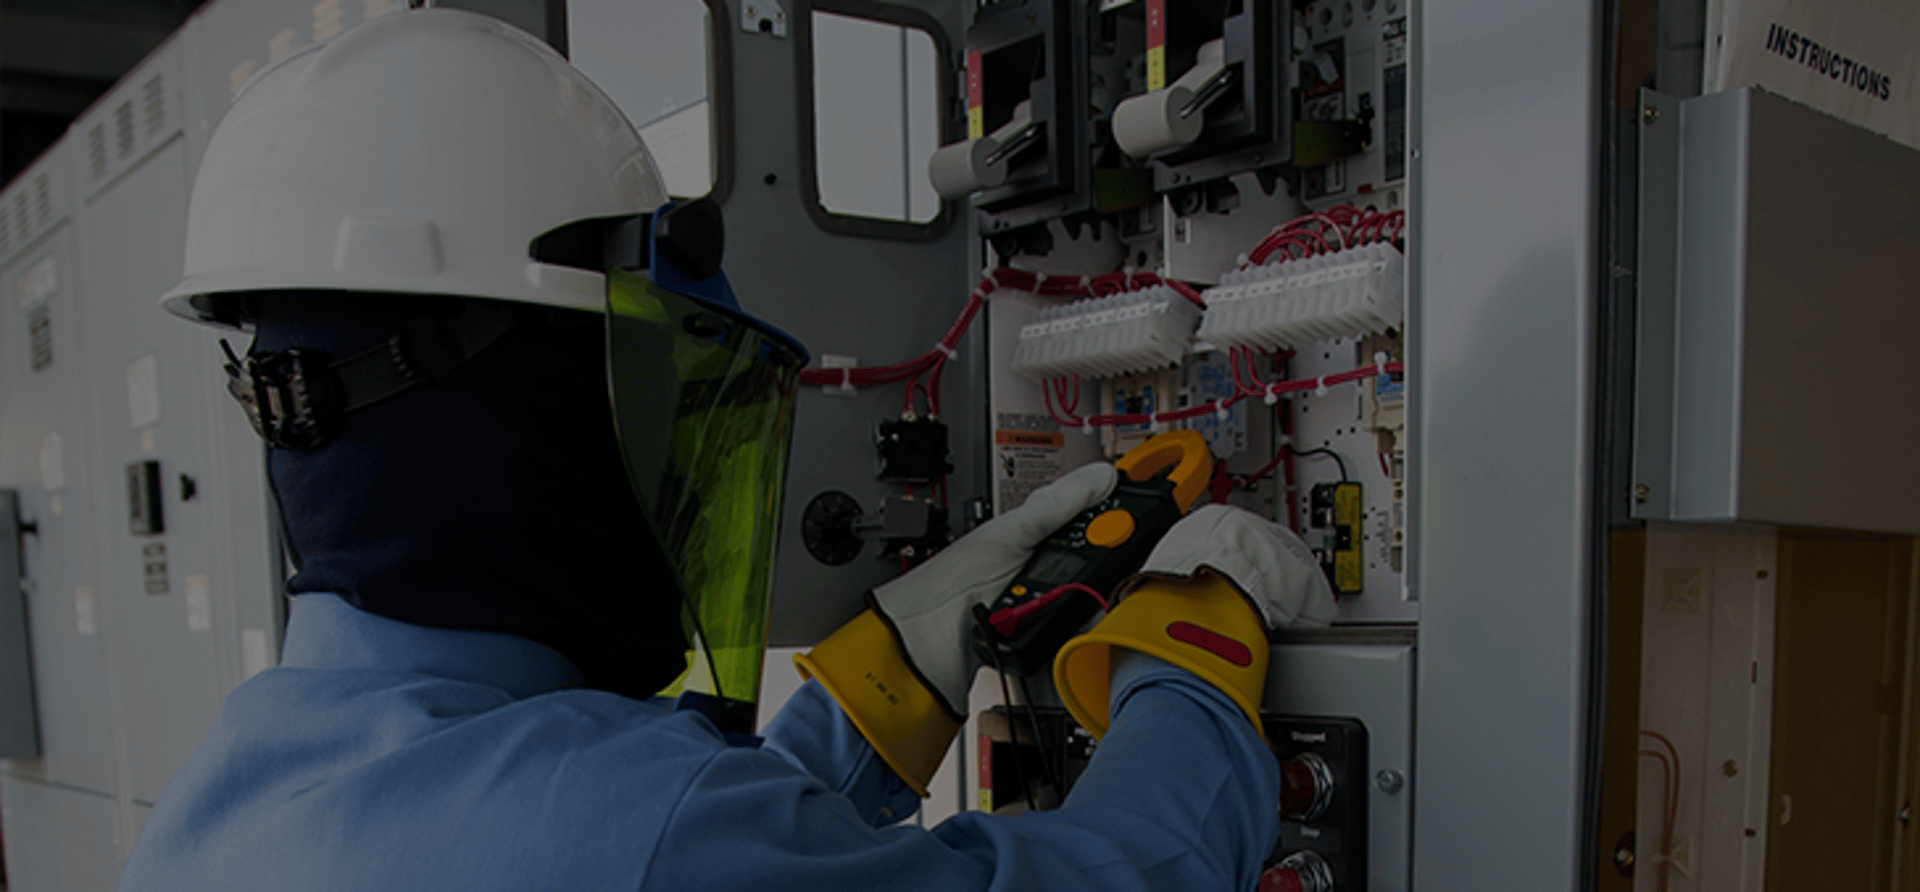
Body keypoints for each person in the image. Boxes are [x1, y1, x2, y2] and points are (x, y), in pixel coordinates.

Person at [116, 9, 1336, 892]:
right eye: (660, 393)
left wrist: (901, 653)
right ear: (532, 402)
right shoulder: (620, 828)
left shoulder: (214, 806)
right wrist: (1189, 635)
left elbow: (697, 834)